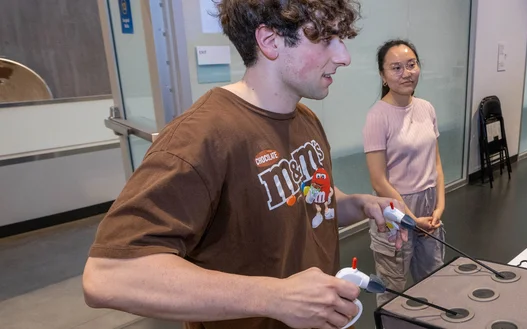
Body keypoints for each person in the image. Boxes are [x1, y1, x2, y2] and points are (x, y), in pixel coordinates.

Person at [81, 1, 408, 329]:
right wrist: (276, 297)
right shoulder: (200, 137)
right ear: (269, 41)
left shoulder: (304, 118)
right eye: (325, 39)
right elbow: (109, 275)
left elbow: (308, 197)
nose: (344, 56)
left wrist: (361, 205)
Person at [362, 39, 446, 306]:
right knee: (391, 288)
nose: (406, 73)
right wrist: (410, 219)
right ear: (383, 75)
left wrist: (440, 206)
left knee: (434, 277)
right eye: (396, 67)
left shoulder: (426, 108)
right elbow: (378, 180)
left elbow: (437, 163)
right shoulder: (378, 116)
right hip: (395, 209)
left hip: (429, 203)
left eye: (411, 65)